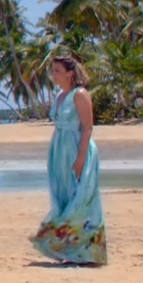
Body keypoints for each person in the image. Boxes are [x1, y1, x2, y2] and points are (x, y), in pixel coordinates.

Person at [31, 55, 107, 265]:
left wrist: (81, 156)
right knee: (63, 195)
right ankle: (69, 249)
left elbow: (87, 127)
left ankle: (89, 252)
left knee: (81, 196)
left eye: (56, 70)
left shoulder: (79, 94)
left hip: (76, 147)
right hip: (59, 150)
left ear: (69, 73)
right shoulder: (60, 96)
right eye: (52, 70)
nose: (53, 75)